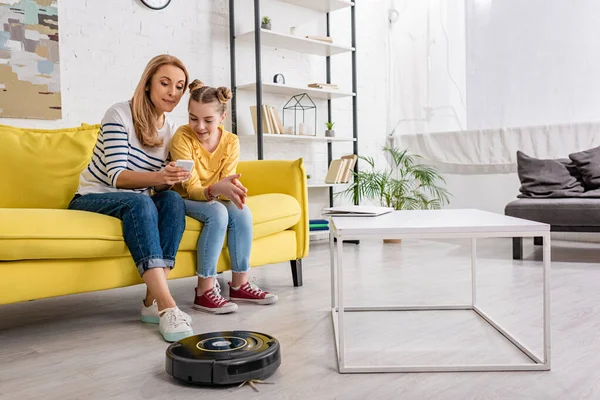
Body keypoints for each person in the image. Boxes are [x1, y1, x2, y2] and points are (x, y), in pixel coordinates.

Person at [68, 55, 194, 342]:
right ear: (148, 83)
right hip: (94, 197)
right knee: (141, 201)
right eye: (165, 83)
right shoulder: (119, 114)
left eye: (179, 86)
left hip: (139, 200)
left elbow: (160, 189)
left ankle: (151, 303)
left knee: (173, 201)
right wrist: (161, 177)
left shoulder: (171, 130)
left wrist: (171, 179)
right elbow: (116, 176)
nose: (172, 92)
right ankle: (168, 305)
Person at [169, 80, 278, 314]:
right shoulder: (182, 138)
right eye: (193, 118)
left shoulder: (230, 141)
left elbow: (226, 179)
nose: (199, 126)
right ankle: (204, 291)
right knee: (217, 211)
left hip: (213, 195)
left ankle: (240, 284)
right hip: (183, 197)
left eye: (208, 120)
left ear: (222, 117)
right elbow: (191, 188)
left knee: (240, 209)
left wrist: (232, 190)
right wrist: (216, 190)